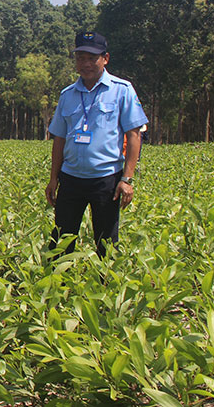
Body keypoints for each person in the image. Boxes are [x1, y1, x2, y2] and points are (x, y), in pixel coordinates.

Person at [45, 31, 148, 257]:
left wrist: (127, 179)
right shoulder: (68, 95)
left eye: (92, 58)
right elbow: (59, 139)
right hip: (70, 178)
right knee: (61, 240)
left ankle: (106, 287)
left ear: (105, 59)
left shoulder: (122, 90)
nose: (86, 63)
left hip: (106, 179)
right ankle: (57, 287)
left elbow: (134, 135)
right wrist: (53, 178)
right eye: (81, 57)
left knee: (106, 242)